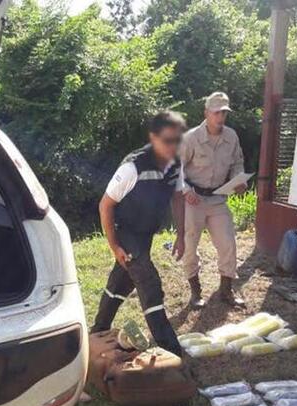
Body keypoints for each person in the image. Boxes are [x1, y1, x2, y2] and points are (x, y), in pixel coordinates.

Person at [90, 111, 187, 356]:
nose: (172, 146)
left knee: (121, 282)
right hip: (126, 231)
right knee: (149, 283)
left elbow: (178, 197)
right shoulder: (133, 167)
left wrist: (181, 234)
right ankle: (171, 349)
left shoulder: (176, 164)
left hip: (145, 234)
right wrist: (115, 246)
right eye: (167, 140)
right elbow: (106, 205)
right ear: (153, 138)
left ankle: (98, 330)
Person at [179, 92, 247, 309]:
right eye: (216, 112)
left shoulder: (232, 137)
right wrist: (185, 189)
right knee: (190, 245)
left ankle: (226, 290)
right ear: (206, 112)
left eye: (224, 112)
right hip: (193, 199)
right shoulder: (190, 138)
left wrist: (239, 180)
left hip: (218, 198)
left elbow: (237, 162)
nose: (221, 117)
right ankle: (195, 291)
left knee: (228, 243)